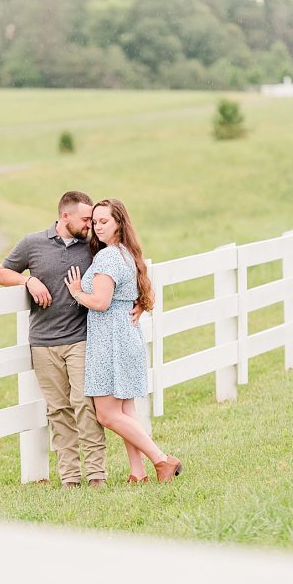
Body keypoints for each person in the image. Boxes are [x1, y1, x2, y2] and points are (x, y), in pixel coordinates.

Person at [0, 191, 111, 488]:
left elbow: (120, 266)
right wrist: (28, 279)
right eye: (86, 219)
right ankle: (70, 477)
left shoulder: (93, 246)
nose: (90, 225)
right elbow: (2, 273)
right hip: (43, 342)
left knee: (85, 403)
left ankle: (97, 473)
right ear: (65, 217)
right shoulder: (32, 243)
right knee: (58, 410)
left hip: (81, 337)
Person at [65, 198, 183, 483]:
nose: (97, 227)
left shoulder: (106, 258)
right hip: (125, 336)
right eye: (94, 222)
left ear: (119, 223)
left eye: (104, 221)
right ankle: (137, 472)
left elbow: (101, 302)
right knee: (126, 410)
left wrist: (77, 291)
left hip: (110, 341)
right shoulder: (125, 254)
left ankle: (162, 460)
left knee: (106, 414)